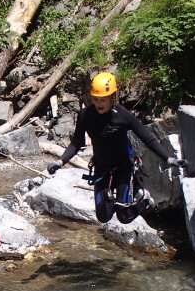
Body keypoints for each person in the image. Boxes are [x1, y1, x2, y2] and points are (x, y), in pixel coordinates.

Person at [46, 72, 187, 224]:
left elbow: (148, 139)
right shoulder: (85, 115)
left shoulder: (123, 116)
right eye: (95, 99)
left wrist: (168, 157)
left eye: (103, 100)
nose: (99, 104)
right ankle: (114, 199)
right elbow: (76, 143)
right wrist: (60, 162)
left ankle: (144, 200)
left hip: (123, 167)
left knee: (124, 217)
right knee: (103, 216)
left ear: (112, 97)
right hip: (101, 168)